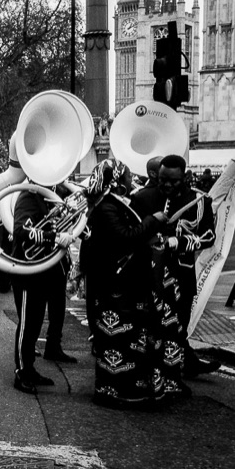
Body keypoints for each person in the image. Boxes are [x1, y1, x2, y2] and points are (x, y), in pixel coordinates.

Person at [81, 159, 187, 408]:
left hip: (119, 285)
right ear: (116, 180)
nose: (131, 180)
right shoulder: (107, 206)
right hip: (112, 286)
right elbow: (125, 239)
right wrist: (153, 220)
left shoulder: (111, 203)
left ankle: (122, 388)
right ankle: (112, 392)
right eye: (127, 176)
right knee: (116, 340)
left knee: (124, 341)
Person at [130, 154, 220, 378]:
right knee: (152, 325)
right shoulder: (142, 198)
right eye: (162, 180)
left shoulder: (199, 202)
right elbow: (131, 235)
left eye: (173, 181)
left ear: (185, 177)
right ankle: (157, 373)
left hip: (182, 273)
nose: (166, 185)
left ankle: (176, 371)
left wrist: (180, 242)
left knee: (179, 324)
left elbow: (209, 237)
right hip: (150, 274)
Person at [10, 183, 77, 394]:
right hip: (28, 269)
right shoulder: (29, 196)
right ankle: (21, 371)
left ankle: (29, 368)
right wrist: (54, 237)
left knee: (36, 321)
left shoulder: (51, 196)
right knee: (28, 323)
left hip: (45, 269)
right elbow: (21, 230)